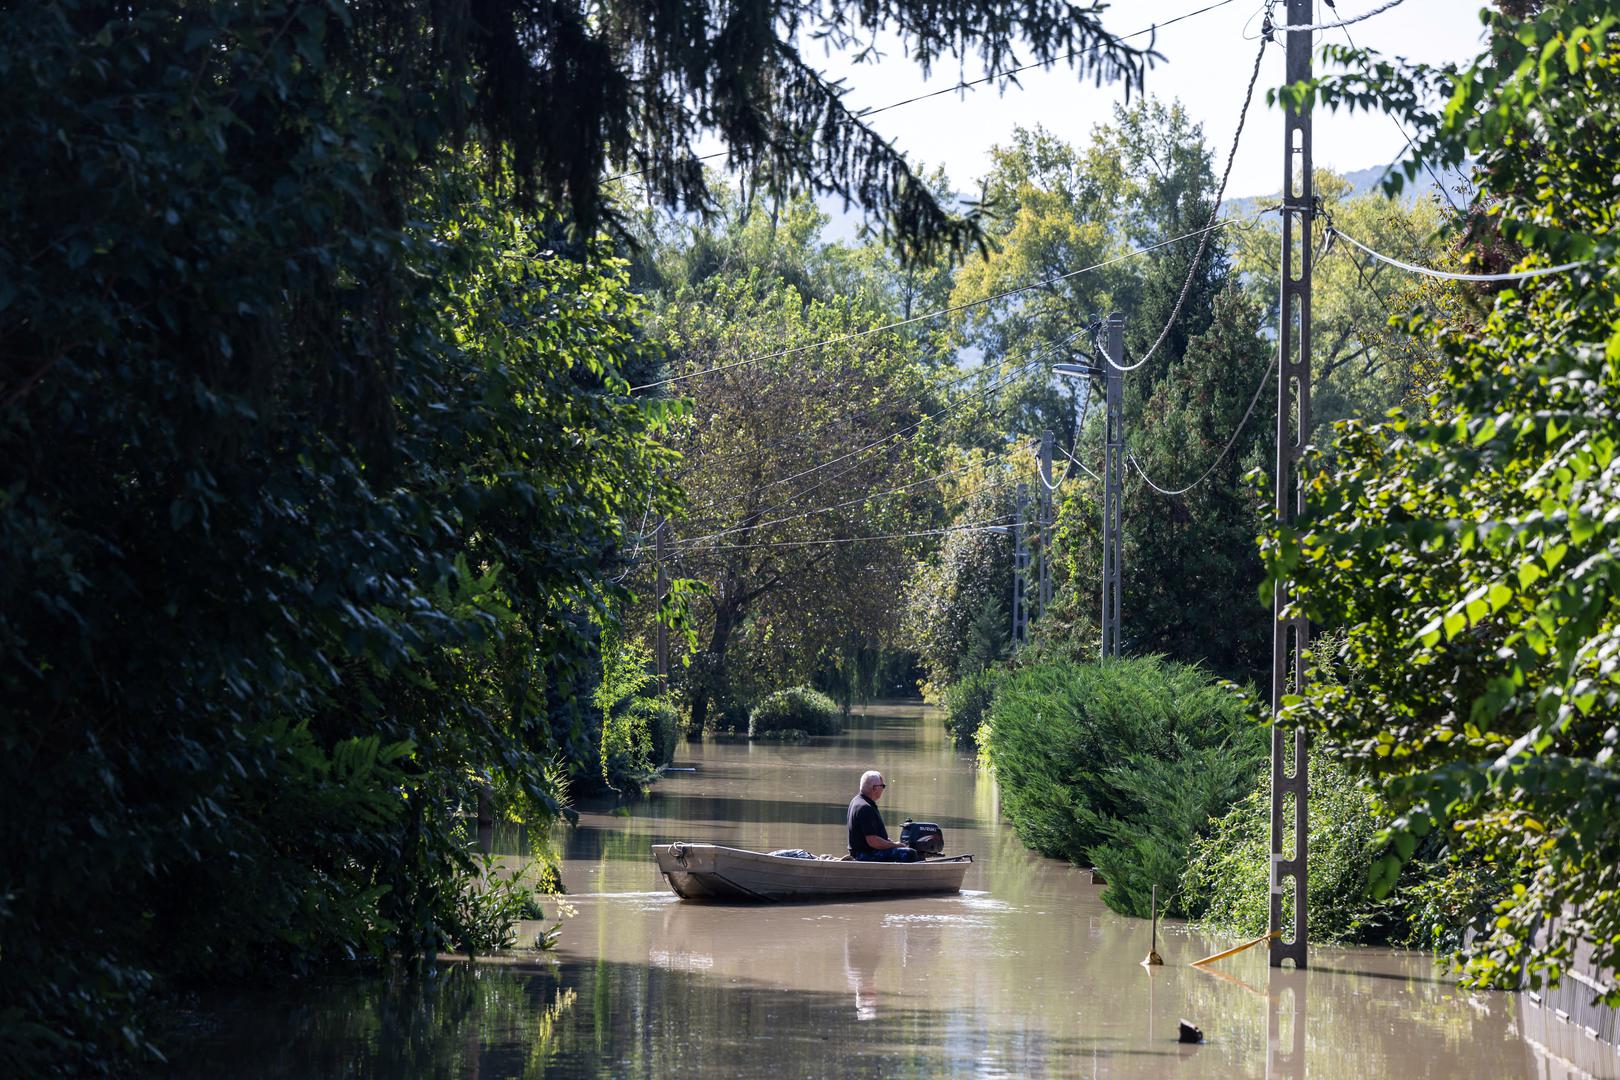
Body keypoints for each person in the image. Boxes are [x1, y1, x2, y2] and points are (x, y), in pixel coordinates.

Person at [846, 770, 918, 862]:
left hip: (862, 852)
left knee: (906, 850)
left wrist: (890, 843)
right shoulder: (865, 807)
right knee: (910, 853)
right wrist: (895, 845)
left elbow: (873, 837)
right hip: (865, 855)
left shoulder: (857, 801)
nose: (883, 789)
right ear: (875, 788)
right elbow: (873, 841)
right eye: (882, 786)